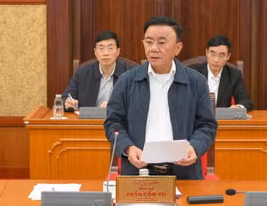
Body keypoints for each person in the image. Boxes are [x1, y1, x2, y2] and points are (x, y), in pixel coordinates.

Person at [104, 16, 217, 179]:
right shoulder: (127, 81)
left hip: (183, 173)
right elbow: (113, 123)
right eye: (149, 42)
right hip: (139, 172)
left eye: (161, 43)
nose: (153, 48)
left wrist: (194, 147)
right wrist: (128, 148)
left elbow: (207, 125)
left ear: (178, 48)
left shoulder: (196, 82)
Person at [62, 30, 134, 110]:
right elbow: (66, 97)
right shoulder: (82, 72)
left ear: (118, 52)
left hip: (120, 121)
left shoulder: (131, 73)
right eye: (101, 48)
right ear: (95, 52)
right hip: (89, 121)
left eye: (110, 48)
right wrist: (68, 103)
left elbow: (139, 101)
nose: (105, 53)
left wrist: (114, 106)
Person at [188, 35, 253, 111]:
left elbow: (246, 102)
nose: (216, 60)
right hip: (196, 120)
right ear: (207, 52)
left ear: (228, 56)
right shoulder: (193, 72)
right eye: (213, 54)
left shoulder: (233, 75)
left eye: (221, 55)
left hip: (221, 121)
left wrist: (238, 108)